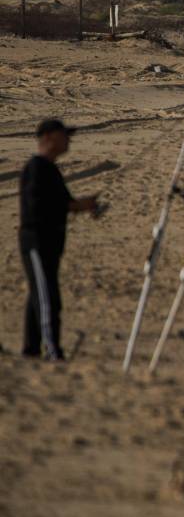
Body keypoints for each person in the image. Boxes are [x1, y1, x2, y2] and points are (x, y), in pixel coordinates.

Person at [19, 119, 99, 360]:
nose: (68, 141)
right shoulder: (36, 168)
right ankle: (52, 350)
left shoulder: (50, 169)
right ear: (49, 137)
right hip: (37, 242)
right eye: (65, 135)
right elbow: (38, 207)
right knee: (47, 299)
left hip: (51, 245)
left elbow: (64, 203)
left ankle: (31, 350)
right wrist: (75, 206)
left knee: (40, 295)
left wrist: (84, 206)